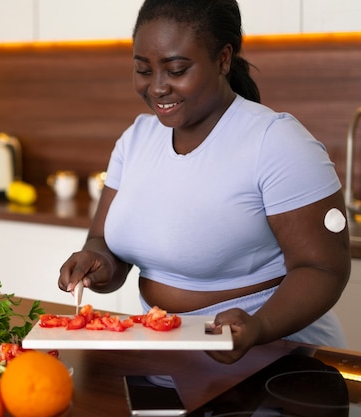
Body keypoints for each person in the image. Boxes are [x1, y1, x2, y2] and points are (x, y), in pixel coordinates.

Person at [57, 0, 350, 364]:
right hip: (169, 352)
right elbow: (105, 243)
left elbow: (324, 268)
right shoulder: (136, 139)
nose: (158, 87)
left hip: (279, 356)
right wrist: (96, 262)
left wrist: (259, 326)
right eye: (143, 70)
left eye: (176, 69)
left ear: (223, 59)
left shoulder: (276, 142)